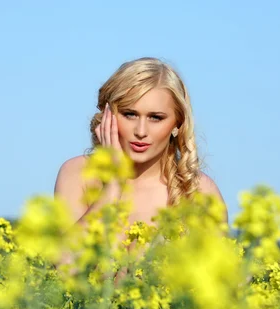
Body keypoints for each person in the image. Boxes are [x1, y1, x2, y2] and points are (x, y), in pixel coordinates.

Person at [54, 56, 227, 234]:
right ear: (108, 115)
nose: (141, 131)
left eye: (156, 118)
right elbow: (65, 260)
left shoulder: (200, 192)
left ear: (178, 123)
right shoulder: (77, 173)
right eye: (130, 114)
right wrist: (112, 187)